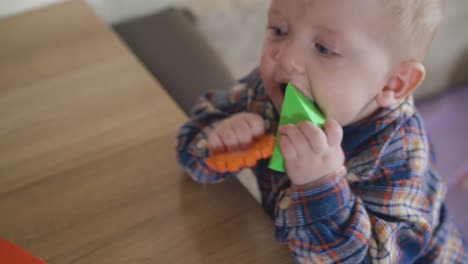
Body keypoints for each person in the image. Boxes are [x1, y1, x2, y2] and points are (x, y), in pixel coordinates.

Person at [176, 0, 467, 262]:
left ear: (394, 83)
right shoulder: (266, 93)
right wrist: (218, 140)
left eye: (324, 48)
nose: (285, 57)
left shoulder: (400, 155)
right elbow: (190, 148)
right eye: (278, 29)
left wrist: (320, 188)